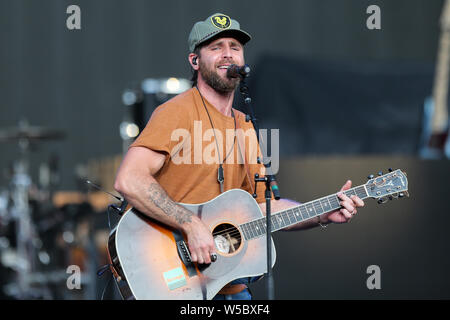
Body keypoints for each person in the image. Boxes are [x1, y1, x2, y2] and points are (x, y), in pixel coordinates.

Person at [113, 13, 364, 300]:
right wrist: (190, 224)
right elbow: (128, 179)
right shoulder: (175, 113)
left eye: (234, 46)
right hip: (178, 281)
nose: (227, 54)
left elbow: (264, 206)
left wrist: (323, 212)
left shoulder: (247, 126)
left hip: (231, 285)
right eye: (215, 47)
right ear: (195, 61)